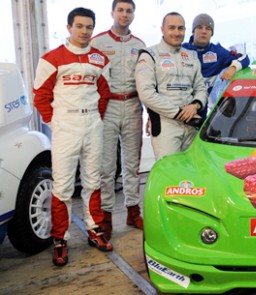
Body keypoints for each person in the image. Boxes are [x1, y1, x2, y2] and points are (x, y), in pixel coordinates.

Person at [33, 7, 113, 267]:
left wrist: (96, 118)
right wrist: (55, 122)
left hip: (92, 123)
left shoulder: (99, 59)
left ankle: (94, 229)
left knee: (93, 179)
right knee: (63, 185)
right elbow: (41, 96)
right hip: (65, 125)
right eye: (79, 26)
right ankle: (60, 239)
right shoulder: (51, 58)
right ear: (69, 27)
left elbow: (104, 92)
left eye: (89, 27)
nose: (85, 31)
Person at [91, 0, 146, 241]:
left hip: (133, 104)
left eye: (129, 11)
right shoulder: (98, 42)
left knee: (132, 163)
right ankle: (106, 216)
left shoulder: (140, 45)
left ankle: (133, 212)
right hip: (108, 106)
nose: (124, 15)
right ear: (112, 13)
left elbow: (147, 81)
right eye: (120, 10)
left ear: (134, 14)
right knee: (106, 166)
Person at [135, 12, 208, 160]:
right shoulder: (149, 55)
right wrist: (179, 113)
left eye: (180, 28)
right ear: (162, 29)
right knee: (169, 175)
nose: (176, 32)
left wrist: (194, 106)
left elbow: (201, 88)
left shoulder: (192, 56)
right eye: (172, 28)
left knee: (192, 173)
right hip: (166, 125)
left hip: (191, 124)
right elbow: (146, 94)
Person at [182, 13, 249, 115]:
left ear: (212, 33)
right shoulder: (180, 51)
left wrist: (233, 68)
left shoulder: (218, 52)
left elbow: (244, 57)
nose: (204, 31)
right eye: (200, 27)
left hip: (206, 112)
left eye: (208, 28)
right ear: (193, 31)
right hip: (182, 109)